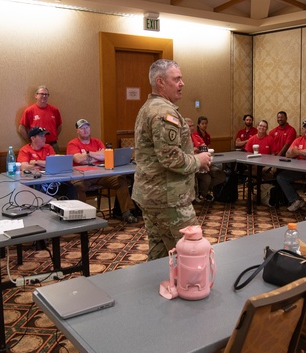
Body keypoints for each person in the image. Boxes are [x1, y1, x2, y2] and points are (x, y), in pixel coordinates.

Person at [132, 59, 211, 261]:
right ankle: (193, 290)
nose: (182, 83)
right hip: (168, 198)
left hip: (151, 194)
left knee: (159, 252)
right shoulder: (164, 112)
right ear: (160, 82)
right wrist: (198, 160)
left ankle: (157, 290)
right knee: (192, 252)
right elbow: (170, 158)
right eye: (177, 79)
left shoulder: (149, 107)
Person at [67, 119, 138, 223]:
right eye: (82, 128)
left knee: (120, 180)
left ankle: (126, 213)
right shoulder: (72, 144)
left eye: (87, 127)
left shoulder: (97, 141)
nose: (85, 130)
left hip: (101, 174)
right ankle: (81, 218)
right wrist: (96, 156)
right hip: (82, 176)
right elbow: (78, 159)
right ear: (77, 130)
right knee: (77, 186)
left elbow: (105, 156)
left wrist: (88, 153)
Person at [18, 127, 77, 200]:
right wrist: (45, 165)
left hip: (51, 180)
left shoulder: (48, 147)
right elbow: (24, 167)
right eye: (41, 136)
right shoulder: (25, 150)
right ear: (33, 138)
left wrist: (36, 162)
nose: (44, 138)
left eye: (44, 136)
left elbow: (54, 163)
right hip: (35, 182)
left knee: (70, 188)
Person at [189, 118, 226, 201]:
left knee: (220, 175)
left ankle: (202, 190)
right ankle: (204, 193)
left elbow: (204, 148)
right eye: (189, 126)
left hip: (207, 162)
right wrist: (195, 149)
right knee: (207, 178)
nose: (191, 128)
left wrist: (197, 149)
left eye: (192, 126)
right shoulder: (182, 139)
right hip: (194, 165)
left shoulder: (196, 136)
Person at [18, 85, 62, 149]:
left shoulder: (54, 110)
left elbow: (59, 126)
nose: (44, 96)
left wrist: (52, 137)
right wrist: (30, 141)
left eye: (46, 94)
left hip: (52, 146)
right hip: (36, 146)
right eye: (42, 94)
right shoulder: (29, 110)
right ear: (36, 95)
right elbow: (21, 128)